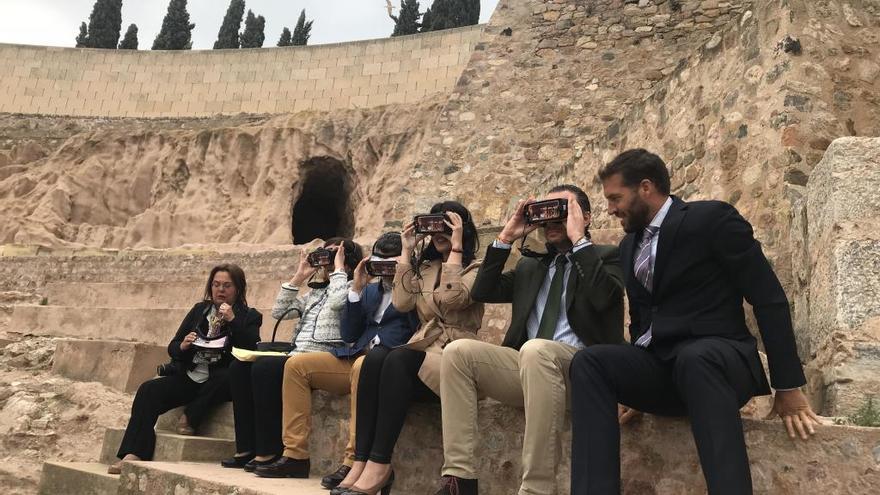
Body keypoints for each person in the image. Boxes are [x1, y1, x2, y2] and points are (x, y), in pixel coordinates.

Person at [569, 149, 822, 494]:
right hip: (664, 371)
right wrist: (632, 386)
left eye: (615, 198)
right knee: (590, 362)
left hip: (721, 365)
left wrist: (788, 385)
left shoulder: (712, 219)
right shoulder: (629, 246)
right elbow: (642, 320)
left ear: (645, 188)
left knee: (696, 358)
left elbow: (768, 297)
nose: (610, 209)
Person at [431, 185, 625, 495]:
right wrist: (506, 237)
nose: (551, 220)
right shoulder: (532, 265)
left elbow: (604, 298)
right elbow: (481, 292)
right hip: (531, 370)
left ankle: (536, 489)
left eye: (561, 212)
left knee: (536, 350)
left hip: (585, 373)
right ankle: (460, 478)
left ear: (584, 217)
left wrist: (579, 242)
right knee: (458, 352)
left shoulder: (606, 256)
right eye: (546, 213)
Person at [336, 201, 484, 495]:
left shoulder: (477, 266)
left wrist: (455, 250)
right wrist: (406, 252)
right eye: (433, 225)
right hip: (424, 353)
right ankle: (362, 460)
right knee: (375, 359)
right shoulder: (426, 268)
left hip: (456, 358)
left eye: (446, 224)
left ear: (461, 228)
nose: (438, 232)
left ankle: (380, 465)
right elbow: (402, 303)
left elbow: (452, 300)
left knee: (399, 358)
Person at [253, 232, 420, 486]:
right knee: (296, 366)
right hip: (355, 357)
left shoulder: (413, 288)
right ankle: (295, 455)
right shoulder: (370, 291)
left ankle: (353, 460)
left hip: (386, 364)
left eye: (391, 263)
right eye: (379, 262)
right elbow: (350, 333)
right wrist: (356, 289)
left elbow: (414, 328)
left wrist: (403, 278)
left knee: (364, 366)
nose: (385, 269)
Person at [222, 238, 362, 473]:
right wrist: (299, 276)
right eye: (325, 255)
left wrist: (339, 269)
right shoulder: (316, 294)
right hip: (298, 355)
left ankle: (269, 451)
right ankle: (248, 447)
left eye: (333, 254)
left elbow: (339, 303)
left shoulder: (354, 287)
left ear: (347, 258)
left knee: (266, 368)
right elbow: (280, 311)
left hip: (330, 356)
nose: (326, 260)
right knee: (240, 368)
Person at [109, 264, 262, 474]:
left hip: (220, 381)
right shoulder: (200, 310)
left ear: (238, 289)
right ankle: (133, 453)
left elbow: (251, 347)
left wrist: (233, 320)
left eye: (227, 285)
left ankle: (191, 416)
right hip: (190, 376)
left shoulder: (249, 316)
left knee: (229, 374)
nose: (221, 290)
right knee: (148, 390)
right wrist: (183, 346)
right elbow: (173, 346)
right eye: (216, 284)